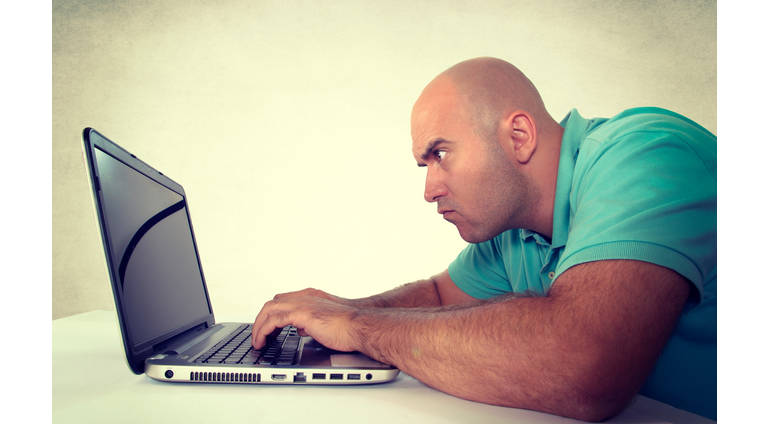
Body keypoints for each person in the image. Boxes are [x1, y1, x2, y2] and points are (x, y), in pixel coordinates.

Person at [251, 57, 717, 422]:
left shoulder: (647, 153)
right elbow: (438, 297)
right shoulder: (513, 231)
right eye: (424, 164)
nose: (429, 190)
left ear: (518, 136)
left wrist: (358, 326)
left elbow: (586, 368)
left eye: (440, 153)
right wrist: (335, 313)